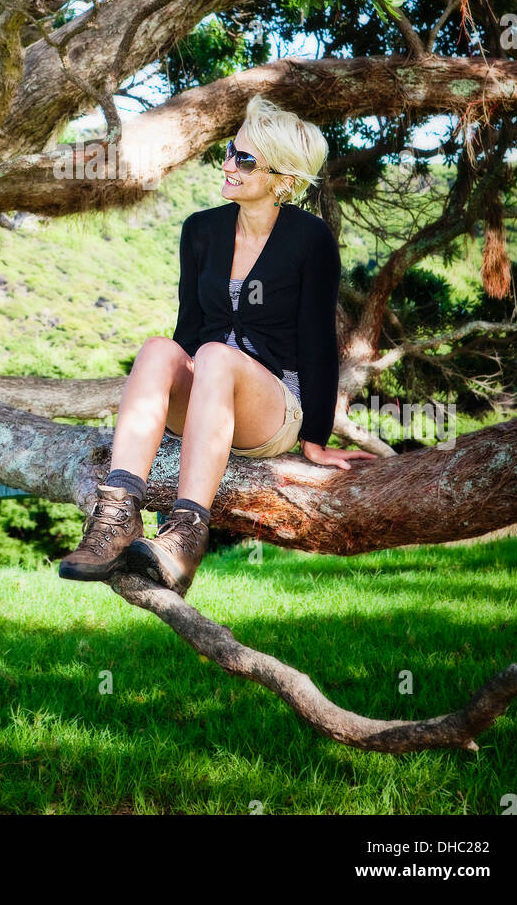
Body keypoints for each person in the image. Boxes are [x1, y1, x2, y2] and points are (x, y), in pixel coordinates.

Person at [58, 94, 379, 597]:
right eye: (230, 151)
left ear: (283, 178)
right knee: (157, 349)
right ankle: (115, 519)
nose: (228, 164)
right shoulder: (201, 231)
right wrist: (165, 400)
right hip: (207, 393)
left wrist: (315, 440)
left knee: (214, 355)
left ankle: (185, 537)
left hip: (271, 408)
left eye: (245, 159)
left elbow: (317, 341)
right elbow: (190, 326)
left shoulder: (310, 238)